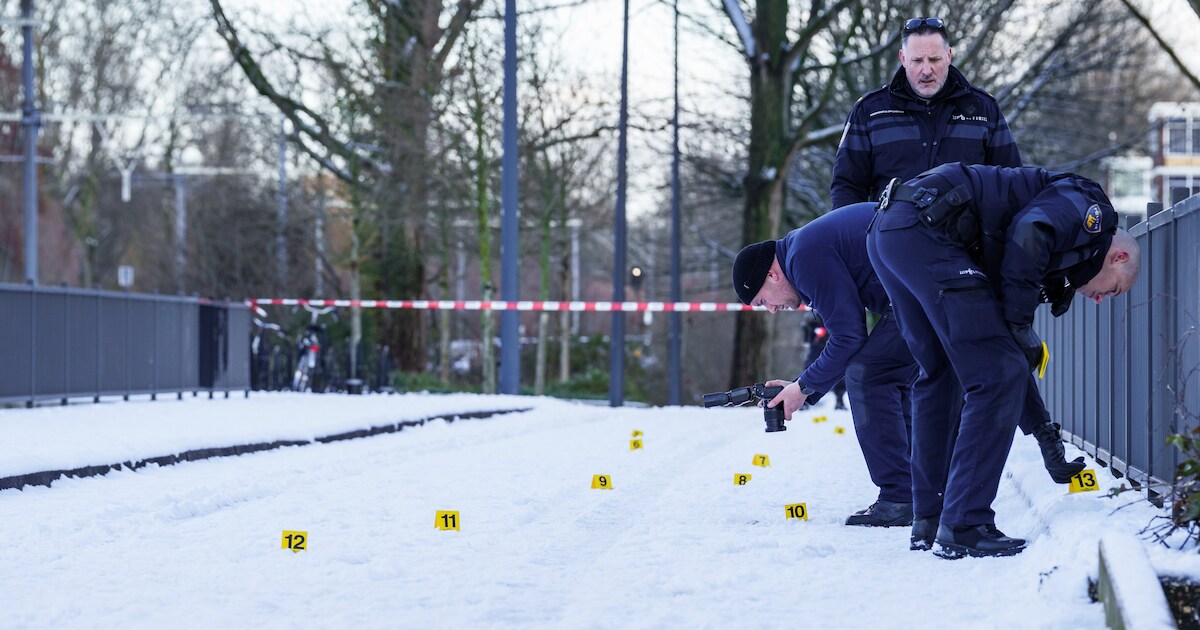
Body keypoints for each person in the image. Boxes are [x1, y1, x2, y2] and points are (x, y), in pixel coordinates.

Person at [831, 15, 1083, 485]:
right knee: (914, 370)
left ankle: (1040, 442)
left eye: (935, 58)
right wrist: (867, 254)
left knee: (991, 354)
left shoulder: (982, 110)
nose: (926, 69)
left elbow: (1013, 186)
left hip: (968, 262)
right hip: (900, 262)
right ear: (901, 59)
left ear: (950, 56)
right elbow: (846, 188)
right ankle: (916, 492)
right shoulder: (871, 111)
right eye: (917, 60)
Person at [866, 162, 1140, 558]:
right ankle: (965, 524)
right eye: (1112, 291)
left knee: (942, 373)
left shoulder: (1049, 252)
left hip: (893, 230)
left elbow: (1007, 350)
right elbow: (1032, 229)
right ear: (1118, 257)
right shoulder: (1091, 208)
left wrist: (1045, 437)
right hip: (928, 228)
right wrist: (1019, 322)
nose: (1099, 300)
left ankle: (931, 518)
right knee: (995, 376)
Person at [732, 203, 919, 528]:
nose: (771, 311)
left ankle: (902, 498)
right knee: (885, 372)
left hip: (922, 285)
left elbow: (849, 337)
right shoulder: (802, 251)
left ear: (771, 275)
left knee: (869, 375)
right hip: (918, 285)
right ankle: (918, 489)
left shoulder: (804, 257)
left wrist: (803, 388)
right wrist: (800, 386)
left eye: (762, 301)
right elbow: (847, 336)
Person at [802, 313, 847, 410]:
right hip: (816, 348)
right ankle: (803, 400)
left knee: (839, 372)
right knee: (809, 371)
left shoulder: (836, 313)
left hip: (833, 346)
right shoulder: (812, 316)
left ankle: (840, 400)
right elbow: (806, 337)